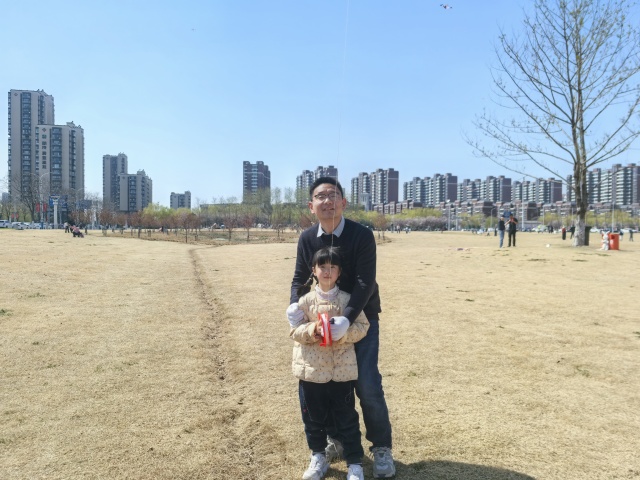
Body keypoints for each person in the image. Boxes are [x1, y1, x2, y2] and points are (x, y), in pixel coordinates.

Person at [288, 177, 396, 479]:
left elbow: (365, 282)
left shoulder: (361, 235)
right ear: (311, 206)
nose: (328, 201)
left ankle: (381, 447)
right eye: (321, 196)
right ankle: (335, 440)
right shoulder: (307, 238)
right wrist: (295, 306)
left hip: (360, 320)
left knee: (367, 385)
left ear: (344, 203)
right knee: (328, 383)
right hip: (321, 323)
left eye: (333, 195)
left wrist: (347, 319)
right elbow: (299, 277)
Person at [289, 247, 369, 480]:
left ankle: (355, 464)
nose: (327, 271)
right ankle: (318, 457)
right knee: (313, 419)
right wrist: (311, 330)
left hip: (340, 372)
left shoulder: (347, 301)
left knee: (347, 419)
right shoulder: (304, 302)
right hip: (311, 373)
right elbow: (294, 331)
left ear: (339, 272)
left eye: (332, 267)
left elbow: (363, 326)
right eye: (322, 267)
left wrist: (343, 333)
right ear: (313, 270)